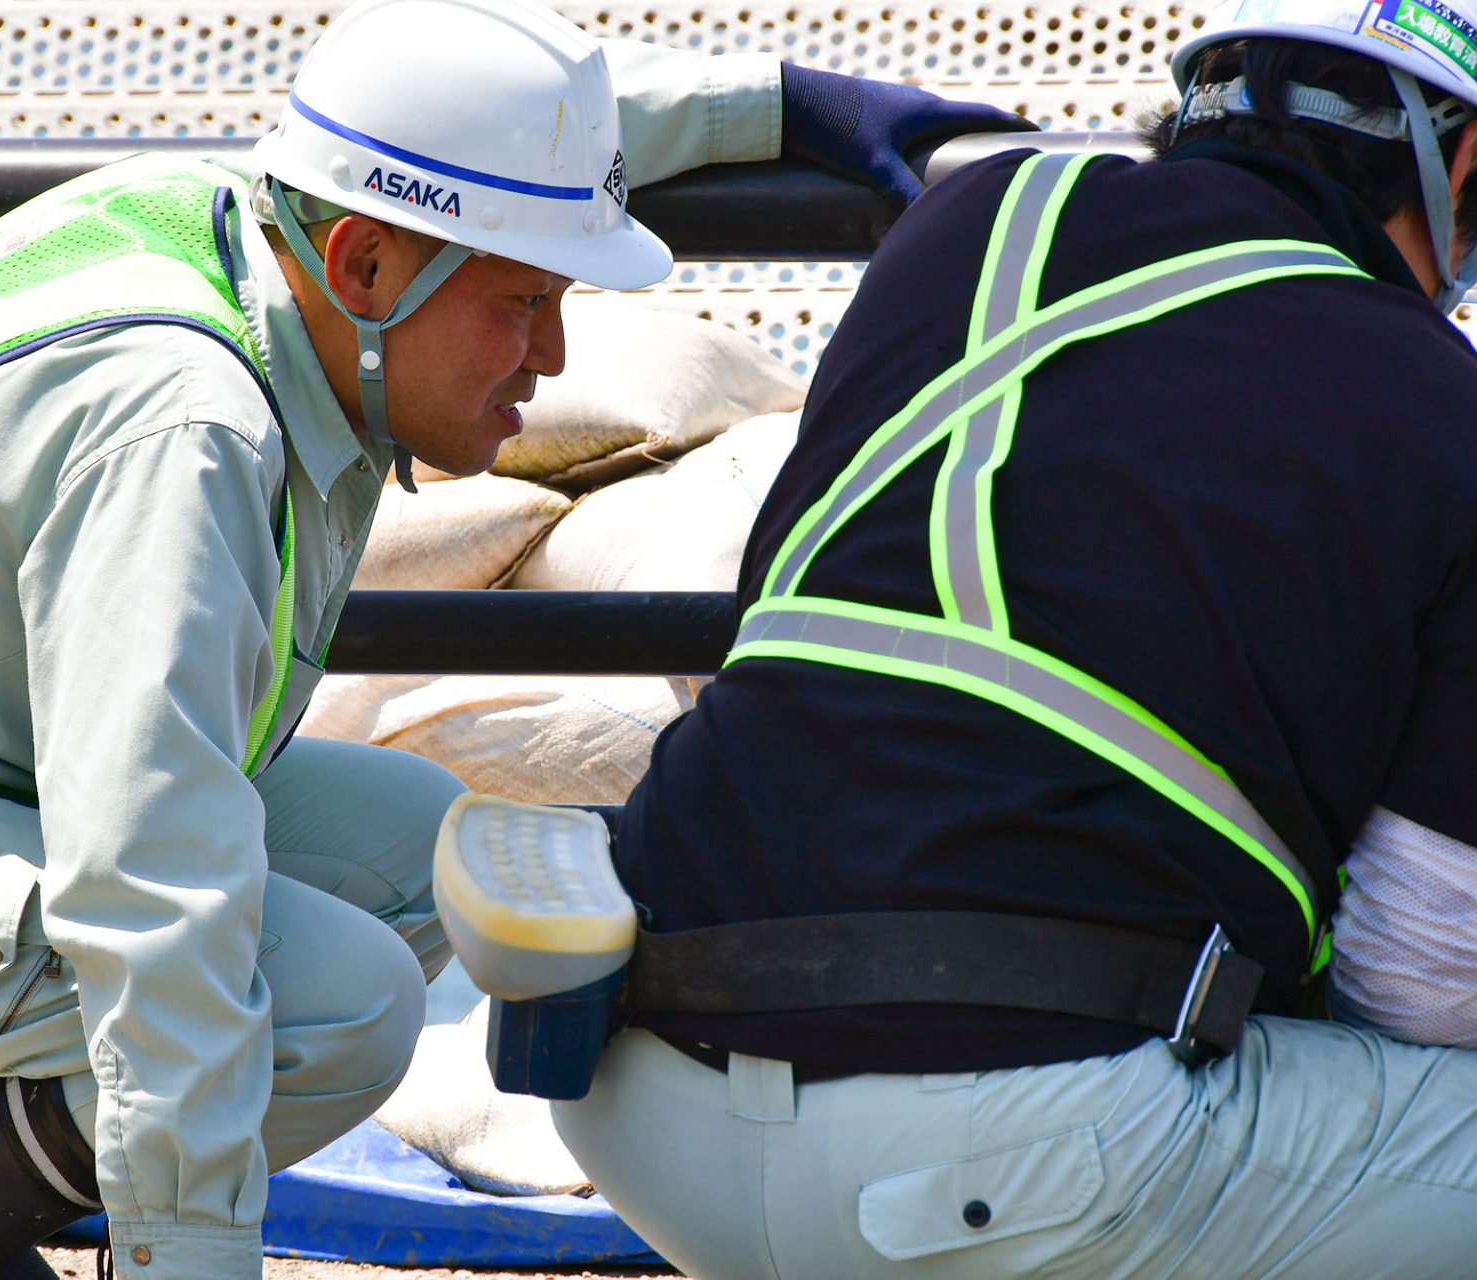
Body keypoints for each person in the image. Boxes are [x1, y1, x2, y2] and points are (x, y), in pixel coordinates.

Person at [0, 0, 1022, 1276]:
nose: (557, 356)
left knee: (421, 841)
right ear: (370, 272)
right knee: (333, 1003)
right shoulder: (182, 425)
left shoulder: (266, 233)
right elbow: (150, 882)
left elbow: (483, 150)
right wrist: (195, 1254)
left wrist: (786, 105)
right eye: (525, 302)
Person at [542, 0, 1477, 1275]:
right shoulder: (1439, 401)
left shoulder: (970, 226)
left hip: (637, 1095)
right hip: (1005, 1161)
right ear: (1455, 164)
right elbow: (1415, 976)